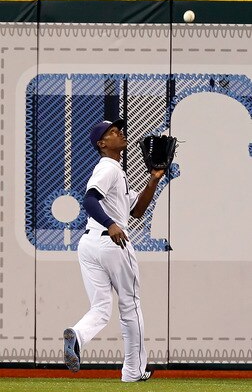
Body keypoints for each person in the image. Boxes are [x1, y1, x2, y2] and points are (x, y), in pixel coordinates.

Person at [63, 119, 164, 382]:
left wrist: (153, 181)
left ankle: (77, 335)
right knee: (130, 306)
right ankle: (133, 372)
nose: (120, 133)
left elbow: (137, 211)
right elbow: (89, 199)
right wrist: (111, 224)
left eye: (119, 129)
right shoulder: (108, 167)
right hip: (111, 241)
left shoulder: (117, 171)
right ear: (102, 143)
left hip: (89, 245)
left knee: (101, 307)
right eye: (112, 132)